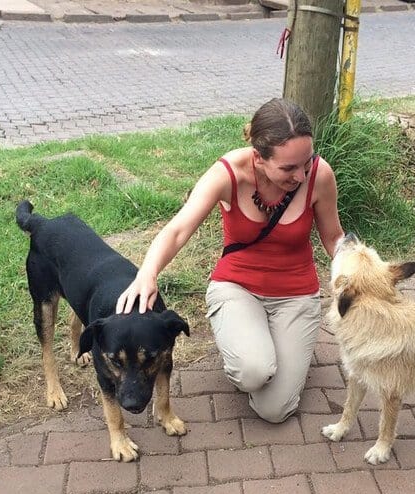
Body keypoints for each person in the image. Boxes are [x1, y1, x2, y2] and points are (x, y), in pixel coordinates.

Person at [116, 98, 344, 423]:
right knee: (253, 373)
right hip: (237, 287)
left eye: (306, 162)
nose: (301, 175)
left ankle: (272, 349)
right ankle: (250, 351)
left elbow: (334, 237)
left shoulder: (320, 176)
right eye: (288, 168)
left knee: (275, 410)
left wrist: (362, 274)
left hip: (295, 293)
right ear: (259, 158)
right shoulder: (228, 173)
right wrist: (147, 273)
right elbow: (179, 229)